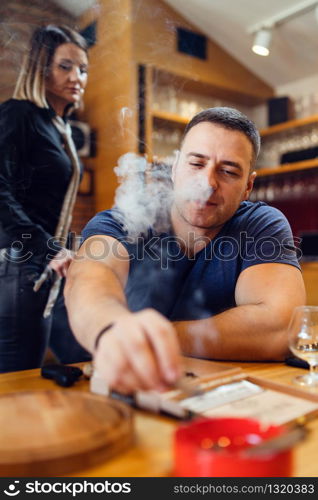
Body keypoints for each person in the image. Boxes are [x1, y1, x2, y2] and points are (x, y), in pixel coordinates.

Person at [65, 107, 305, 394]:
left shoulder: (260, 224)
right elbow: (90, 280)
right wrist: (110, 330)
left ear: (248, 186)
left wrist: (157, 338)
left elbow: (280, 328)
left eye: (228, 171)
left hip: (221, 392)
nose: (208, 183)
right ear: (175, 167)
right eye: (196, 164)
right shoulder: (122, 221)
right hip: (124, 387)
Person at [0, 25, 91, 372]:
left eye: (83, 69)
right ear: (41, 68)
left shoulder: (56, 126)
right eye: (65, 66)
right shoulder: (18, 114)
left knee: (30, 369)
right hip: (17, 262)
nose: (77, 77)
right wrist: (46, 247)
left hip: (36, 264)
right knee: (16, 376)